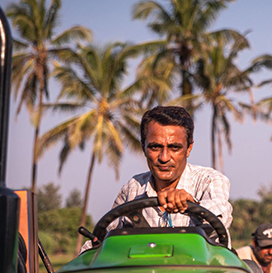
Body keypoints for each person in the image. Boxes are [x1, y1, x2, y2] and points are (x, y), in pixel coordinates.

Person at [80, 106, 232, 252]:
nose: (164, 158)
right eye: (155, 147)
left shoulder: (209, 180)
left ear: (189, 148)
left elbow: (221, 213)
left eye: (174, 148)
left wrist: (193, 205)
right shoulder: (133, 188)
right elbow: (105, 237)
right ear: (144, 148)